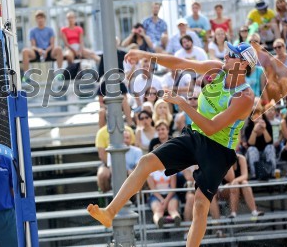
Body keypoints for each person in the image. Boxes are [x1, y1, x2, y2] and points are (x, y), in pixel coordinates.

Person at [87, 42, 261, 246]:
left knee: (200, 205)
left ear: (242, 64)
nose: (226, 55)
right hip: (196, 135)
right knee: (145, 162)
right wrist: (144, 54)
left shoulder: (245, 96)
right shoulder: (218, 69)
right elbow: (180, 62)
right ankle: (110, 212)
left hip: (219, 150)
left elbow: (212, 128)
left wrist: (183, 104)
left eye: (232, 54)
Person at [220, 153, 263, 218]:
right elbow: (230, 178)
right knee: (235, 184)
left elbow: (245, 176)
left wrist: (235, 181)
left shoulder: (241, 158)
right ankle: (233, 212)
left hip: (239, 187)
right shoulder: (222, 159)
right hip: (226, 188)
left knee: (244, 183)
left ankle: (254, 211)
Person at [95, 125, 135, 192]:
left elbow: (132, 148)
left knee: (134, 173)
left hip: (127, 161)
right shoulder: (101, 132)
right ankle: (108, 197)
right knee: (103, 174)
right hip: (108, 161)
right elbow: (102, 155)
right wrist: (115, 166)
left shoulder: (129, 130)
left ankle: (133, 197)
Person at [242, 105, 276, 179]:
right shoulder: (248, 128)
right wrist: (254, 130)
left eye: (259, 113)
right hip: (253, 153)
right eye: (254, 114)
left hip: (265, 151)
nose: (257, 116)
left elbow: (269, 142)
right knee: (252, 149)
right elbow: (250, 144)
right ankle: (254, 174)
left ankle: (272, 173)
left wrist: (264, 129)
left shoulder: (268, 125)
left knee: (270, 147)